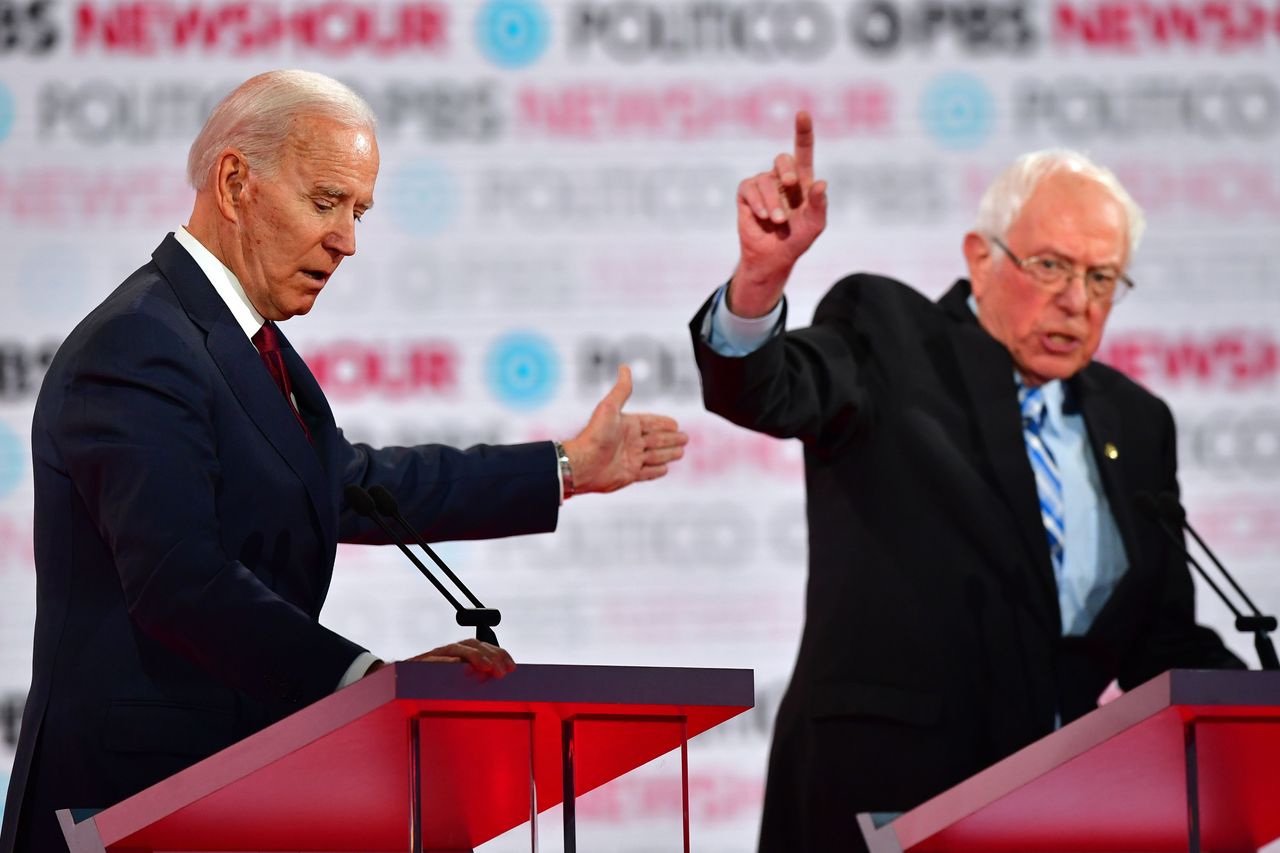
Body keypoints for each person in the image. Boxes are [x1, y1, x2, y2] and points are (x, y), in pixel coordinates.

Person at [1, 69, 688, 853]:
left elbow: (357, 485)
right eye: (326, 202)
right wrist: (368, 685)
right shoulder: (139, 343)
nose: (347, 240)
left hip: (228, 796)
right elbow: (179, 578)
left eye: (358, 212)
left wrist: (565, 467)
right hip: (124, 807)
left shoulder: (240, 344)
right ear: (234, 182)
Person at [689, 112, 1243, 850]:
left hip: (1057, 813)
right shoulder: (889, 336)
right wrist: (761, 279)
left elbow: (1162, 640)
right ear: (981, 257)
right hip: (882, 806)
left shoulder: (1138, 424)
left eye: (1101, 277)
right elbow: (764, 390)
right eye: (1050, 266)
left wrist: (1255, 710)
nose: (1076, 301)